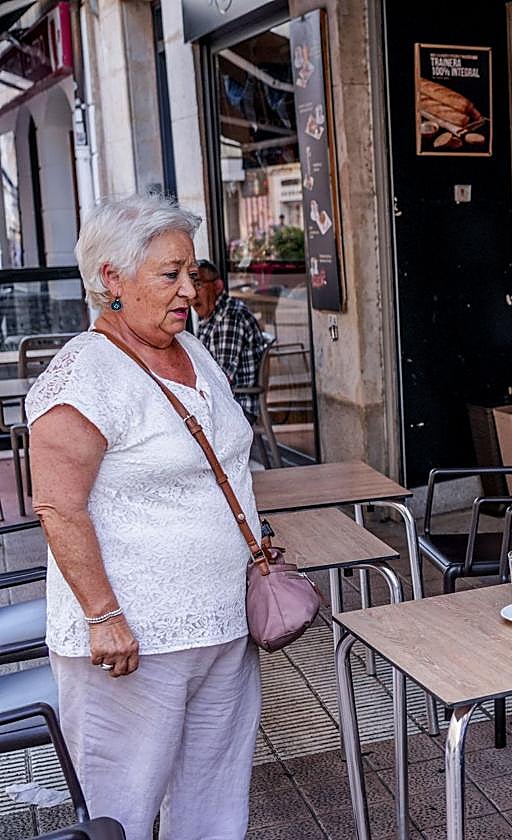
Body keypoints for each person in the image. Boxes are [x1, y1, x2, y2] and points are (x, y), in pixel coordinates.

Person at [27, 194, 261, 840]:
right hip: (130, 647)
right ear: (112, 279)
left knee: (214, 810)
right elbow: (57, 504)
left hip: (221, 627)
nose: (190, 288)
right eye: (170, 275)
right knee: (118, 811)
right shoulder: (85, 370)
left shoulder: (192, 351)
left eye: (190, 271)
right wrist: (103, 616)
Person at [192, 258, 270, 423]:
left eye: (198, 284)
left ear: (218, 286)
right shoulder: (209, 315)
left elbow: (221, 378)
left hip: (237, 406)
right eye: (190, 285)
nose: (192, 293)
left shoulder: (229, 317)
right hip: (223, 403)